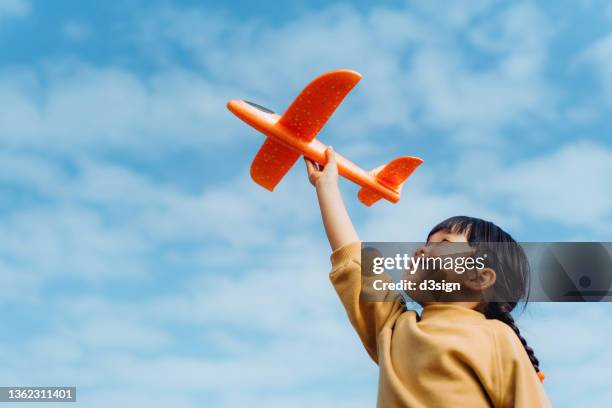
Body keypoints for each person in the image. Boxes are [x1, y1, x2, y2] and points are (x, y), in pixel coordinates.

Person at [305, 147, 551, 407]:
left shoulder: (496, 337)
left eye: (443, 242)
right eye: (426, 241)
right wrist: (327, 188)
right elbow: (355, 264)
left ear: (480, 278)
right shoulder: (394, 327)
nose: (422, 249)